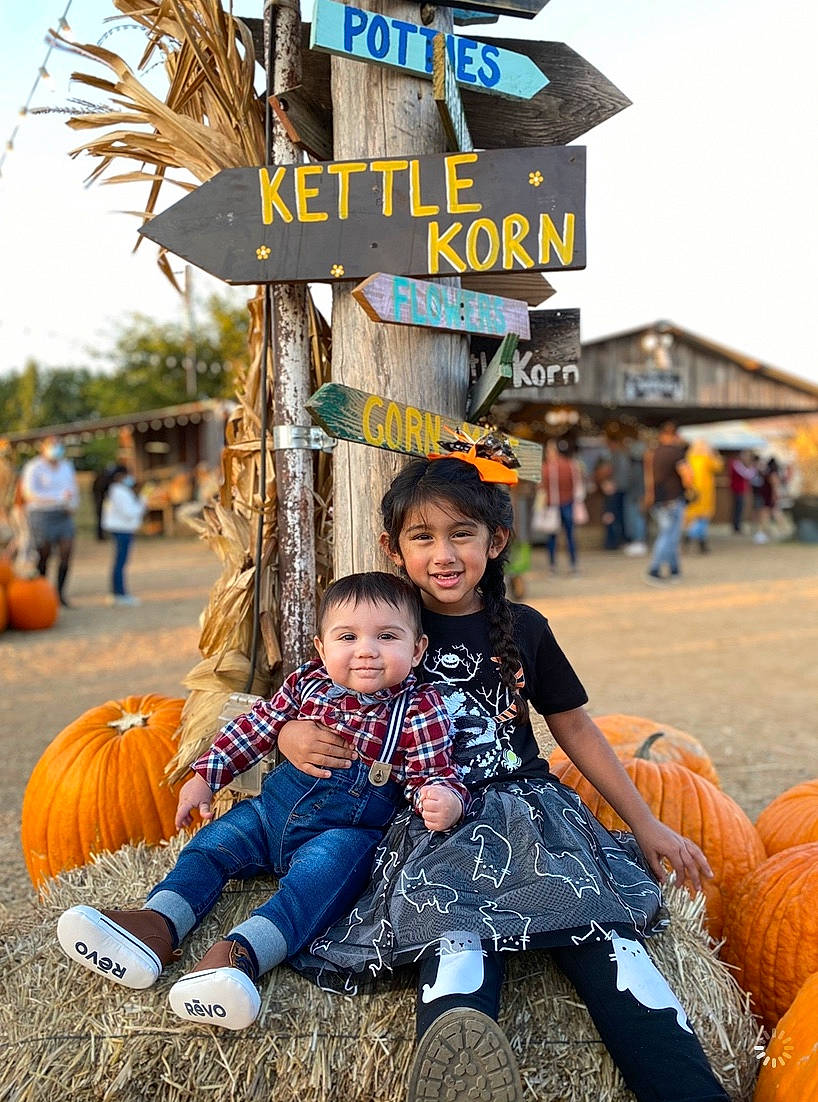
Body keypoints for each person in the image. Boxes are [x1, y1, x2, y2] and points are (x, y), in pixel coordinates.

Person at [281, 451, 728, 1102]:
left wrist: (645, 821)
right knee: (453, 947)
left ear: (497, 541)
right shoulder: (383, 630)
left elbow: (574, 727)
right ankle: (461, 1068)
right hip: (435, 821)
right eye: (422, 536)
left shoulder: (525, 628)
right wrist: (291, 732)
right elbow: (313, 699)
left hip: (535, 821)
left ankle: (688, 1090)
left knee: (611, 949)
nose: (444, 553)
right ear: (393, 546)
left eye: (462, 533)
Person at [56, 572, 468, 1031]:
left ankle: (237, 958)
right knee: (210, 846)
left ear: (416, 649)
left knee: (316, 888)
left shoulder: (419, 708)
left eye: (387, 637)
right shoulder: (306, 685)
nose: (366, 650)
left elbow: (434, 770)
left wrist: (442, 798)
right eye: (347, 637)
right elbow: (256, 727)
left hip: (342, 834)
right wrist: (206, 776)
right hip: (268, 815)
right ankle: (155, 927)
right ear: (321, 648)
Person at [20, 436, 78, 607]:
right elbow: (29, 494)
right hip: (41, 514)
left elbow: (73, 489)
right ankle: (42, 591)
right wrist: (58, 498)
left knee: (66, 552)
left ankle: (60, 593)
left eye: (58, 446)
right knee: (44, 553)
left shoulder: (66, 467)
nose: (56, 449)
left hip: (63, 513)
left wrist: (72, 503)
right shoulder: (34, 467)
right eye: (52, 446)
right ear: (43, 448)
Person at [643, 422, 692, 586]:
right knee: (669, 536)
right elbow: (687, 475)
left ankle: (674, 569)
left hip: (658, 499)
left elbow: (648, 478)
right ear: (675, 435)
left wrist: (649, 496)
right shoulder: (676, 453)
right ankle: (654, 570)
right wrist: (691, 488)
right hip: (673, 498)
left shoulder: (652, 453)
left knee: (669, 535)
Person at [101, 465, 147, 606]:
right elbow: (130, 512)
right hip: (122, 529)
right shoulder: (119, 491)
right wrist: (143, 503)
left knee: (119, 562)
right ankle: (119, 593)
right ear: (120, 476)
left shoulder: (116, 491)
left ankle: (117, 592)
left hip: (121, 529)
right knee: (121, 563)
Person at [541, 438, 583, 574]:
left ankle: (552, 566)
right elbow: (577, 486)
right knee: (570, 535)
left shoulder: (547, 468)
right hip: (568, 503)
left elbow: (541, 487)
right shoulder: (571, 465)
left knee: (552, 537)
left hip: (553, 505)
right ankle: (573, 565)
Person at [683, 440, 724, 553]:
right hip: (705, 493)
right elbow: (719, 466)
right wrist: (715, 454)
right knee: (703, 518)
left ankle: (699, 542)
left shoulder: (689, 457)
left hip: (692, 492)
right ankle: (693, 538)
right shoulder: (707, 458)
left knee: (694, 518)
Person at [622, 435, 648, 555]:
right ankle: (637, 541)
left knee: (637, 519)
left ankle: (639, 542)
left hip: (636, 496)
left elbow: (636, 483)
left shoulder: (637, 467)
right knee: (636, 519)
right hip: (636, 496)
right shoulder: (639, 466)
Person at [728, 450, 755, 534]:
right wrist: (752, 468)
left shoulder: (737, 464)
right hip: (737, 489)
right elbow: (747, 474)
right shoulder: (736, 464)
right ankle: (736, 527)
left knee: (739, 508)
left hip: (740, 489)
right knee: (738, 508)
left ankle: (737, 526)